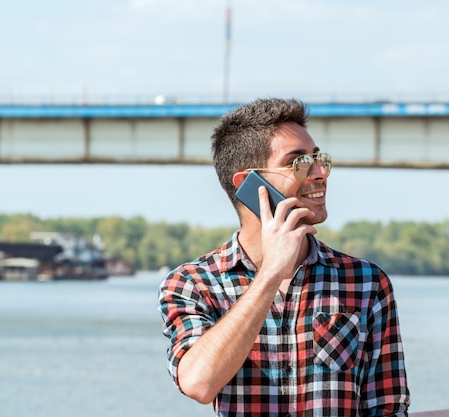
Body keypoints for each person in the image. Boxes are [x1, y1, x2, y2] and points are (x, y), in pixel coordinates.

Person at [158, 97, 410, 416]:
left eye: (320, 159)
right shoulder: (192, 284)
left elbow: (388, 407)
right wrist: (270, 274)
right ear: (250, 183)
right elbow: (199, 383)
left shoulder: (366, 282)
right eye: (299, 162)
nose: (320, 173)